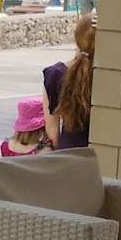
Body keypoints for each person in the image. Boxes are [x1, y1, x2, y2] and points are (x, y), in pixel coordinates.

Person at [43, 12, 94, 151]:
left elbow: (52, 133)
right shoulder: (111, 77)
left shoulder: (54, 74)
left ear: (76, 39)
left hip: (68, 153)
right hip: (100, 155)